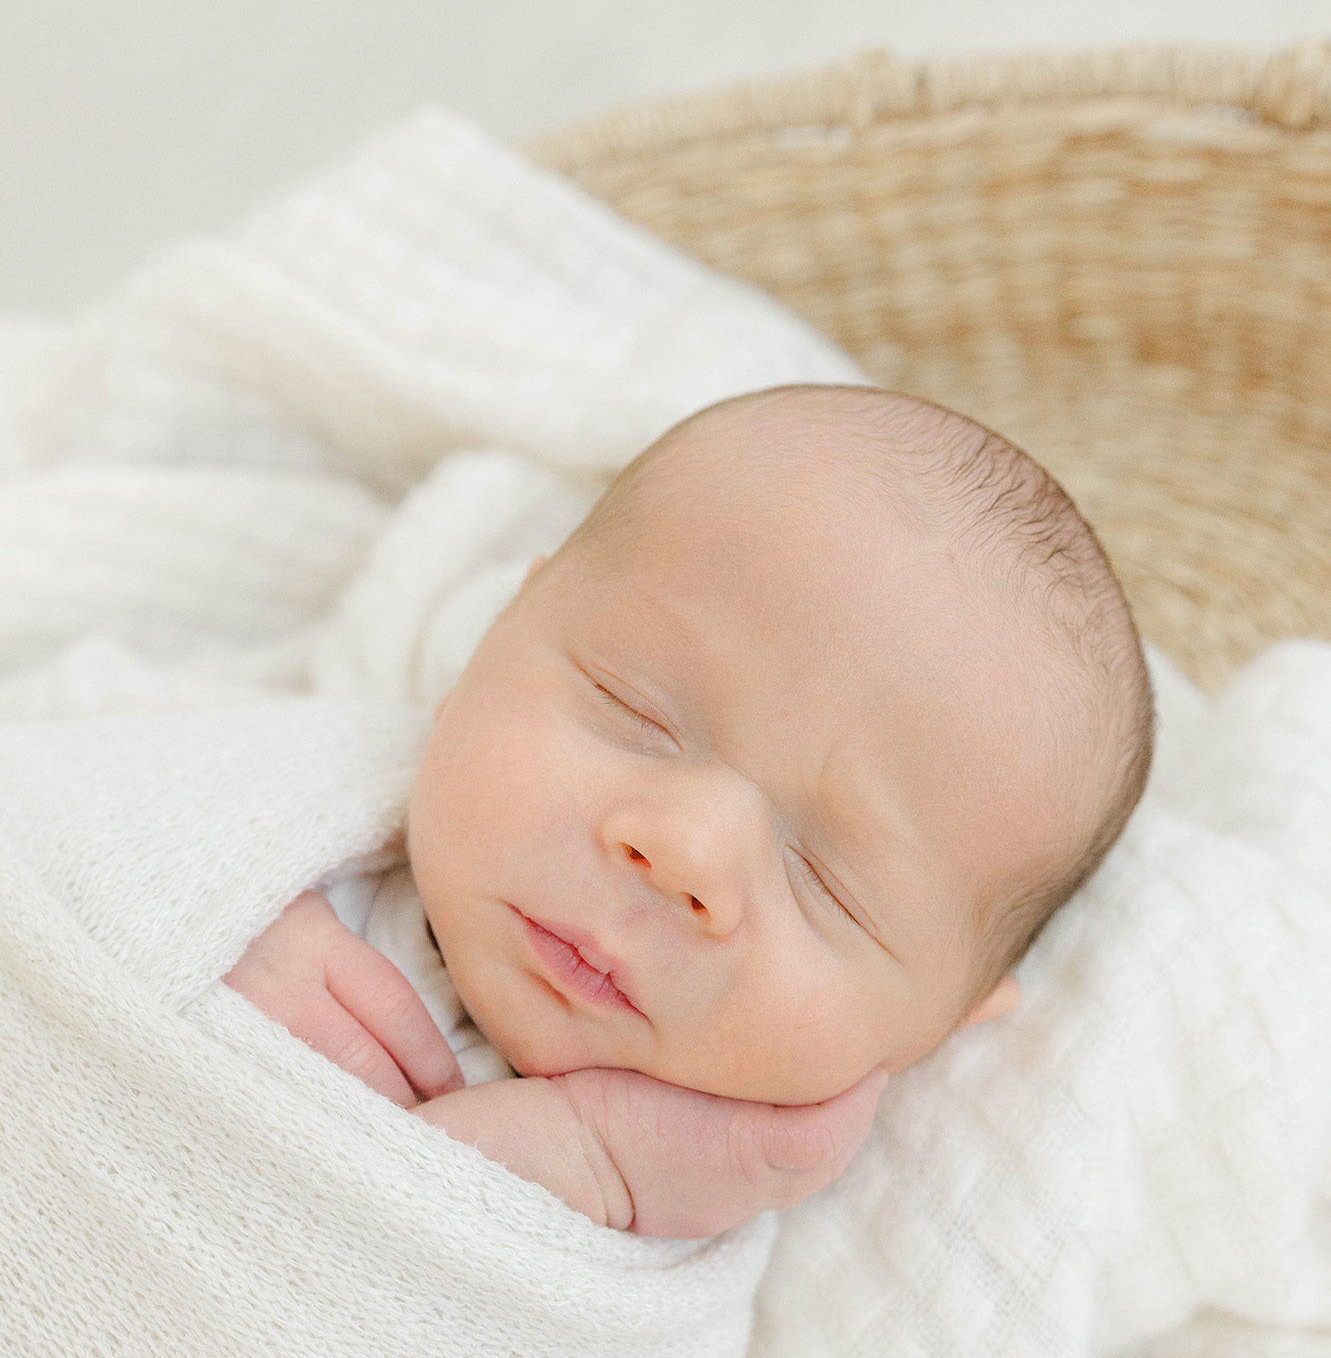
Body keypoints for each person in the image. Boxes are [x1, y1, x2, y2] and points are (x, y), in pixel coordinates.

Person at [226, 384, 1152, 1236]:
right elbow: (87, 817)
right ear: (493, 638)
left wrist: (599, 1169)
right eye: (636, 710)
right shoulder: (282, 792)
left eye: (827, 886)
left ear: (937, 1027)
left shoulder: (725, 1207)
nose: (685, 854)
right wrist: (214, 908)